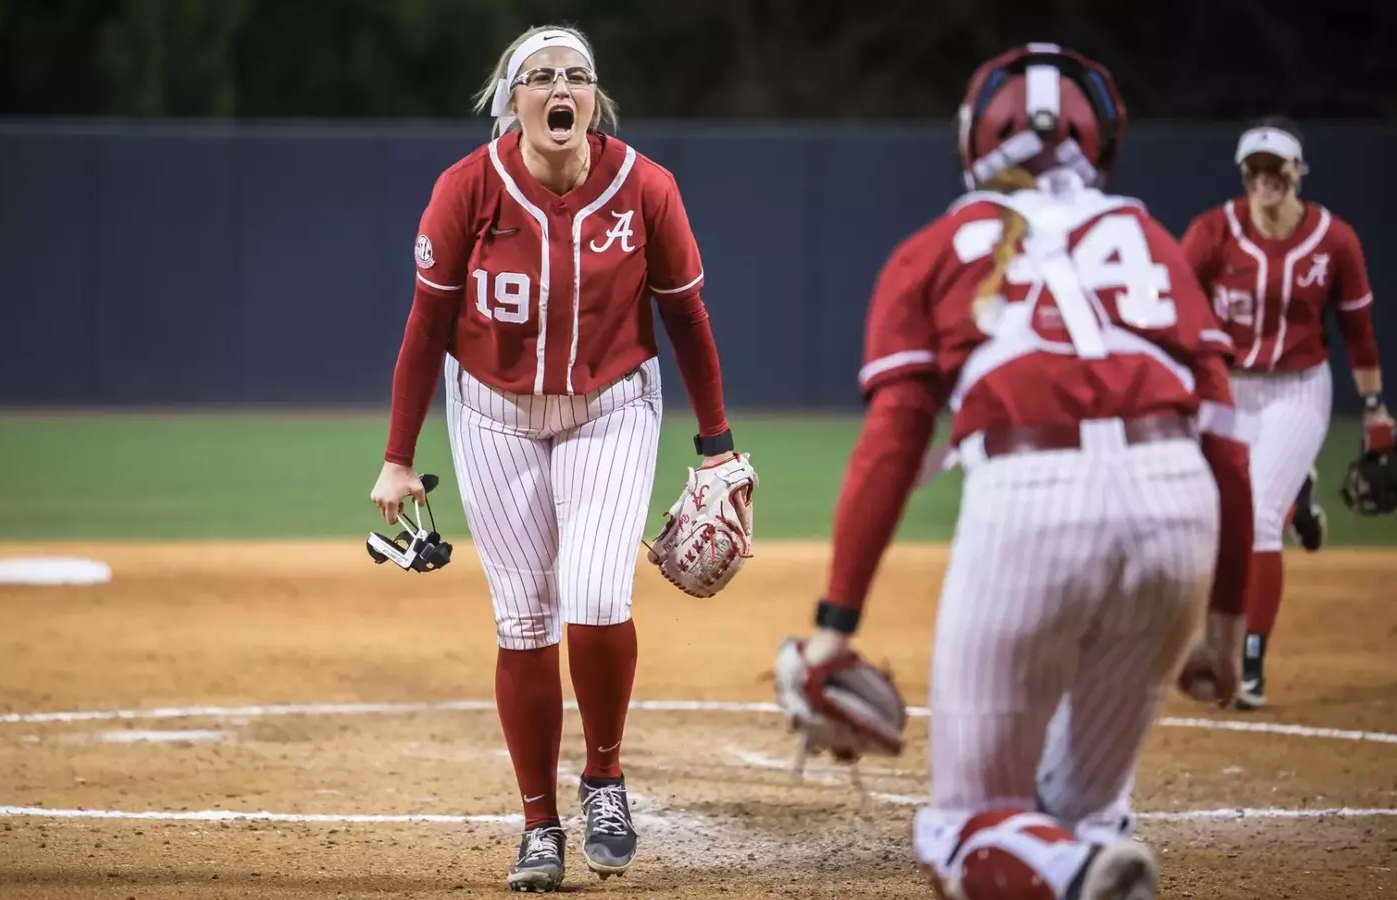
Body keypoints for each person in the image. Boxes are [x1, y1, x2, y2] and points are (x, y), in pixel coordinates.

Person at [776, 44, 1255, 899]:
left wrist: (833, 630)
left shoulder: (932, 250)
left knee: (963, 823)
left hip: (1032, 498)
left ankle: (1076, 875)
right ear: (1100, 138)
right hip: (1180, 504)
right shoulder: (1150, 238)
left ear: (972, 141)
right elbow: (1225, 441)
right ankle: (1088, 850)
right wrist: (1223, 632)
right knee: (1080, 808)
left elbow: (893, 444)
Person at [369, 23, 746, 893]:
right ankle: (540, 824)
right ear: (514, 102)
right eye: (539, 77)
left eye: (575, 74)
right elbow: (426, 328)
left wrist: (717, 443)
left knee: (597, 589)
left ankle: (604, 779)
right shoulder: (466, 190)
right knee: (523, 617)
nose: (559, 87)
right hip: (492, 413)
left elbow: (687, 317)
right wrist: (397, 456)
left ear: (594, 98)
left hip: (612, 408)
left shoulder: (646, 188)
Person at [1179, 117, 1391, 710]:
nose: (1265, 179)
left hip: (1297, 389)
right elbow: (1169, 300)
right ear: (1243, 174)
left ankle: (1248, 664)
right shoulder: (1213, 231)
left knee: (1260, 518)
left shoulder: (1334, 239)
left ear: (1298, 172)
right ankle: (1298, 492)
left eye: (1277, 168)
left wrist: (1375, 411)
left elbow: (1357, 331)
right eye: (1255, 168)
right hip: (1229, 391)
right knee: (1212, 518)